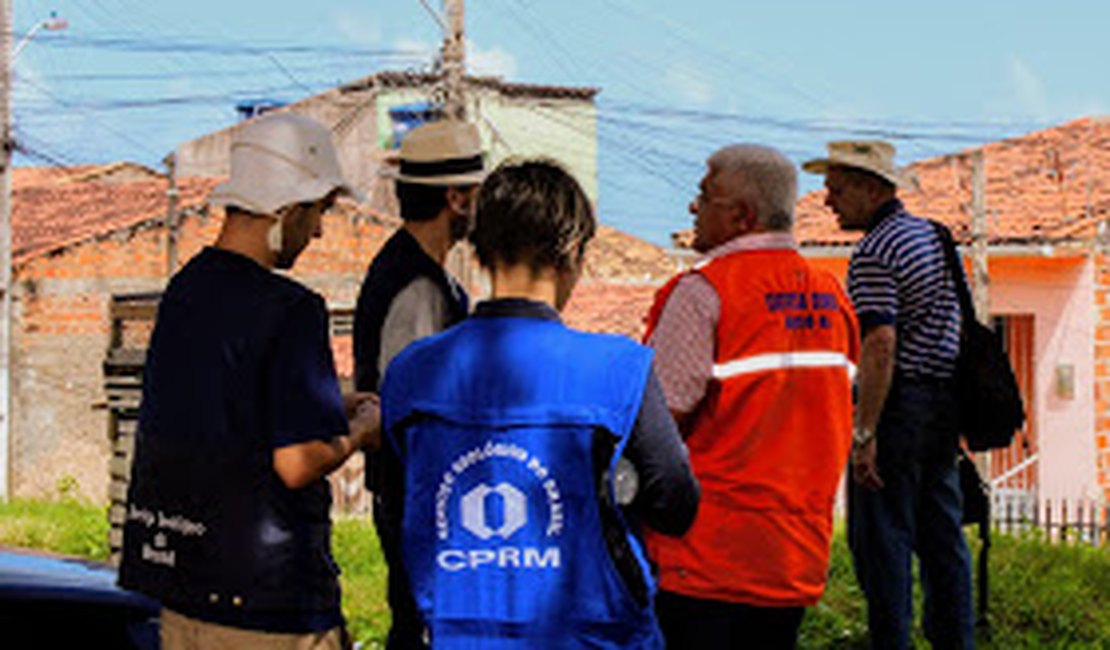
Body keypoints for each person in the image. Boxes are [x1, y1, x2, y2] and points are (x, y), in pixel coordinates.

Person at [380, 159, 700, 648]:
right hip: (592, 634)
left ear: (482, 251)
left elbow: (407, 491)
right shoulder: (618, 369)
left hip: (455, 631)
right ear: (572, 251)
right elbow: (675, 505)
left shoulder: (412, 372)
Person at [118, 113, 381, 650]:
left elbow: (226, 409)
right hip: (269, 606)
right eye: (318, 212)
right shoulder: (291, 309)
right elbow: (297, 460)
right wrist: (361, 431)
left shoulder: (185, 292)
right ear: (287, 211)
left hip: (183, 590)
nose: (320, 230)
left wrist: (333, 402)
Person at [643, 144, 859, 649]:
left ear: (740, 215)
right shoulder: (833, 299)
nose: (693, 208)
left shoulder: (702, 293)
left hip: (706, 559)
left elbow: (657, 425)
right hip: (794, 560)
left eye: (704, 195)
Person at [804, 140, 976, 649]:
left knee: (882, 546)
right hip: (942, 410)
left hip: (897, 411)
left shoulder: (875, 251)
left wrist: (865, 433)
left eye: (837, 190)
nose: (828, 201)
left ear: (870, 188)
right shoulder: (934, 237)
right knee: (944, 544)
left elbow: (880, 344)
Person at [352, 119, 485, 649]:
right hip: (418, 500)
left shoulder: (432, 276)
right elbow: (408, 408)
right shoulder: (414, 285)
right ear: (455, 197)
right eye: (476, 192)